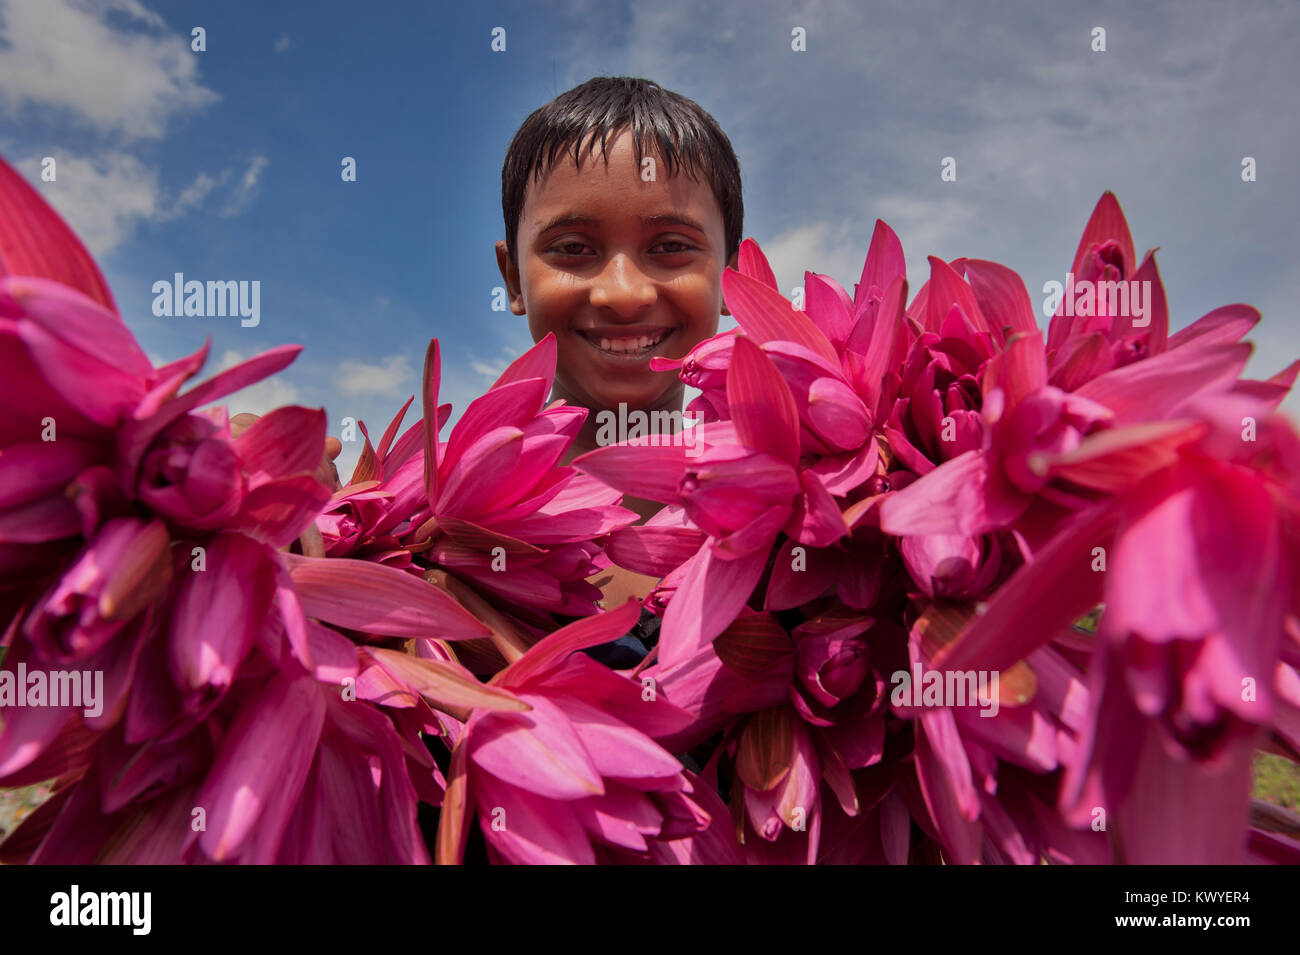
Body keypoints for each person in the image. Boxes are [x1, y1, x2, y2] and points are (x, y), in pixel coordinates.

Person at [494, 77, 743, 652]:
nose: (623, 293)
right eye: (574, 248)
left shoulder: (807, 511)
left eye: (671, 246)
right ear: (513, 279)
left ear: (732, 275)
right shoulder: (434, 531)